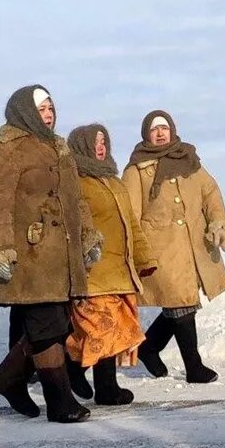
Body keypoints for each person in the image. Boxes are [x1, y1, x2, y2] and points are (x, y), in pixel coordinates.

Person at [0, 85, 101, 424]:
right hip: (30, 255)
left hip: (61, 256)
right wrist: (1, 248)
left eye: (51, 107)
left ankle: (8, 379)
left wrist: (87, 237)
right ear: (24, 112)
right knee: (47, 328)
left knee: (57, 326)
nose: (49, 113)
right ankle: (59, 401)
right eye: (41, 108)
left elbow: (75, 201)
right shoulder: (3, 150)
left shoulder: (59, 148)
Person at [122, 110, 225, 384]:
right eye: (155, 129)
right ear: (146, 134)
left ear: (173, 130)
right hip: (160, 249)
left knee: (182, 303)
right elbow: (129, 212)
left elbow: (210, 192)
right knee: (181, 303)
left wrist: (218, 220)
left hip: (193, 246)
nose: (160, 133)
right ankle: (194, 368)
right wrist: (135, 249)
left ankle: (148, 347)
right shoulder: (137, 168)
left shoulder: (190, 161)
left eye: (164, 128)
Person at [64, 124, 157, 405]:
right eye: (95, 142)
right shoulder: (74, 181)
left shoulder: (114, 182)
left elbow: (131, 225)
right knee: (100, 329)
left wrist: (144, 258)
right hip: (93, 270)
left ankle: (89, 378)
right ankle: (85, 375)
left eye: (104, 140)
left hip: (120, 269)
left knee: (114, 332)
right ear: (81, 146)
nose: (101, 146)